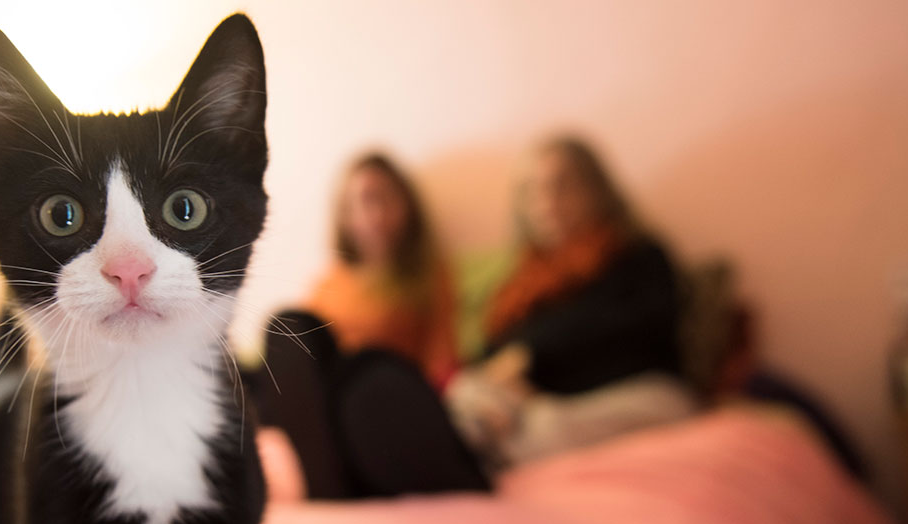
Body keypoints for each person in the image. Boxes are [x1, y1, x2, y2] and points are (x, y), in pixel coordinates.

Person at [254, 137, 693, 499]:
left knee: (533, 422)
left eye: (564, 186)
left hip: (629, 393)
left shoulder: (638, 256)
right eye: (533, 191)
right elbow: (496, 349)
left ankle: (418, 461)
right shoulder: (525, 282)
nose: (547, 202)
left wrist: (527, 357)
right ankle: (365, 457)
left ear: (599, 190)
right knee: (469, 392)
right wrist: (515, 362)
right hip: (526, 396)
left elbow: (631, 326)